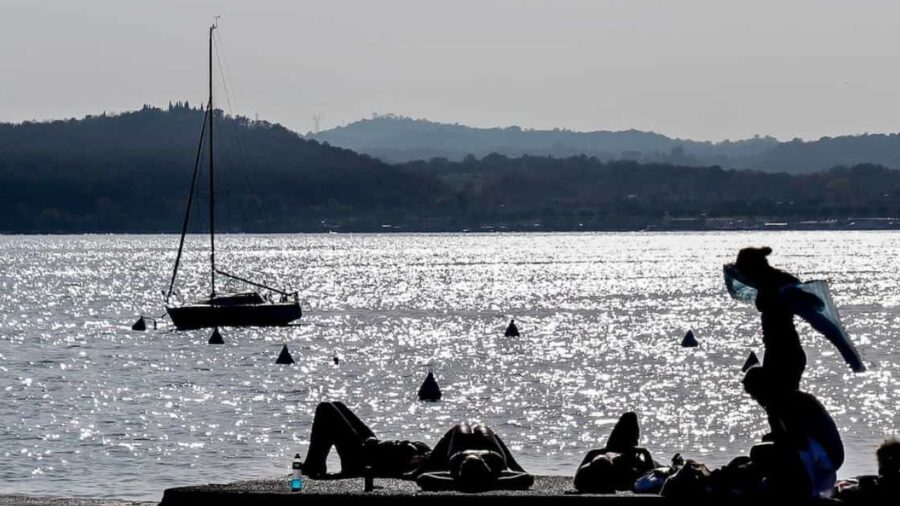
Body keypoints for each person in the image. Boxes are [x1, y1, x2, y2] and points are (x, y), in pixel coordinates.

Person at [742, 366, 843, 498]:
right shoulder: (787, 399)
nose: (756, 400)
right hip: (823, 454)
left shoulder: (786, 402)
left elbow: (797, 441)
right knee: (766, 449)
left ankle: (790, 488)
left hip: (825, 459)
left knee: (758, 452)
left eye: (754, 395)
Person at [732, 247, 820, 392]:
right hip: (776, 349)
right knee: (777, 401)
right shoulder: (768, 281)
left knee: (779, 400)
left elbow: (814, 301)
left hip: (784, 353)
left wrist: (784, 297)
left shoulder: (775, 282)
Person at [301, 401, 431, 479]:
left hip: (362, 459)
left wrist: (416, 456)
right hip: (373, 447)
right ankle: (313, 463)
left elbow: (413, 472)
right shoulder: (436, 454)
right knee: (337, 405)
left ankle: (314, 465)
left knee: (326, 409)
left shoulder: (428, 465)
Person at [413, 422, 533, 492]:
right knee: (481, 427)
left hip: (460, 449)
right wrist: (493, 483)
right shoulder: (497, 475)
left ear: (461, 469)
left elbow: (423, 478)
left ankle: (426, 464)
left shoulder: (455, 478)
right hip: (489, 449)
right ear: (486, 468)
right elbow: (527, 478)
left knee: (461, 425)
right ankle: (516, 466)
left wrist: (457, 484)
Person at [574, 412, 658, 493]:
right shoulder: (628, 461)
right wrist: (646, 453)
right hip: (620, 468)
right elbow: (651, 476)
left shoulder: (594, 454)